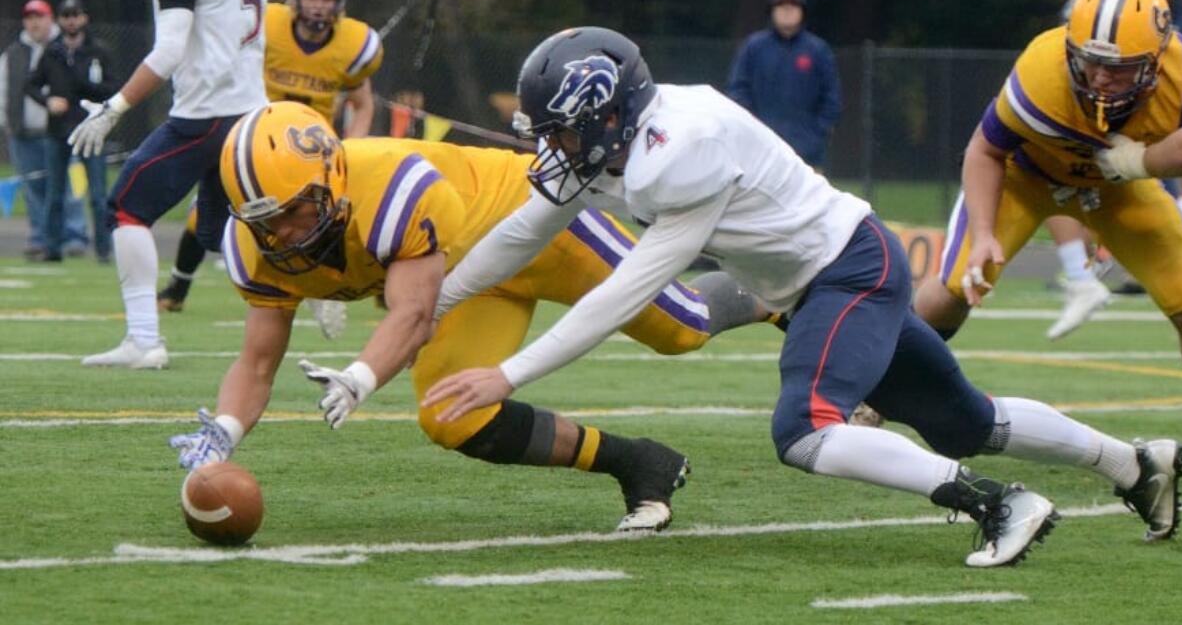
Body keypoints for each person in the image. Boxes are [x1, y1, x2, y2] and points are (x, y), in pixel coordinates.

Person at [419, 26, 1182, 567]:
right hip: (831, 272)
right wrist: (437, 301)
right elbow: (523, 230)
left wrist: (508, 374)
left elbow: (629, 291)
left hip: (845, 271)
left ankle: (997, 503)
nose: (551, 146)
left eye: (562, 129)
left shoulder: (678, 152)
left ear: (609, 113)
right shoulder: (627, 138)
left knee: (805, 428)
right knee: (964, 417)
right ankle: (1132, 462)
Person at [168, 101, 775, 532]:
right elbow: (257, 359)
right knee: (451, 415)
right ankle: (639, 461)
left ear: (331, 179)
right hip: (467, 283)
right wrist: (225, 431)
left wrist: (359, 377)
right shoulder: (264, 247)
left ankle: (780, 292)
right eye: (265, 219)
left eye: (296, 210)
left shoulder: (390, 188)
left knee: (682, 327)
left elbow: (414, 311)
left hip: (533, 228)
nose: (283, 232)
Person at [914, 0, 1182, 442]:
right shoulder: (1044, 67)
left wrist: (1140, 163)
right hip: (1028, 177)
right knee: (954, 288)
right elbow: (985, 150)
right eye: (1090, 60)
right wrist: (983, 235)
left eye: (1118, 67)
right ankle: (880, 384)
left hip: (1121, 185)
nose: (1100, 76)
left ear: (1158, 60)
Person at [70, 0, 269, 369]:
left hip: (204, 116)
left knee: (126, 207)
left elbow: (169, 50)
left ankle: (143, 339)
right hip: (251, 113)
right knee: (218, 231)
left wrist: (114, 106)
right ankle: (312, 287)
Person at [156, 0, 381, 341]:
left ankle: (369, 287)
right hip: (257, 142)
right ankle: (178, 285)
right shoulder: (268, 25)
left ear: (341, 2)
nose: (319, 5)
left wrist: (351, 147)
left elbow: (363, 103)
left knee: (334, 221)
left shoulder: (354, 43)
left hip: (314, 155)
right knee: (203, 218)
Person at [1045, 0, 1166, 335]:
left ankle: (1080, 277)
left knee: (1038, 165)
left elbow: (1099, 29)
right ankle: (1082, 276)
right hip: (1130, 77)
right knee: (1160, 192)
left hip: (1110, 82)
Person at [24, 0, 121, 262]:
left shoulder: (98, 51)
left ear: (84, 18)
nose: (71, 20)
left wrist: (86, 88)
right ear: (59, 19)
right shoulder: (52, 52)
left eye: (75, 14)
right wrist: (48, 102)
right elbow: (31, 85)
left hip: (90, 129)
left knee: (98, 195)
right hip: (58, 131)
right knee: (55, 193)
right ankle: (52, 249)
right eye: (66, 15)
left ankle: (103, 251)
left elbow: (113, 88)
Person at [1, 0, 90, 259]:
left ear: (50, 19)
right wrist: (8, 124)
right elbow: (5, 91)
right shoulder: (13, 54)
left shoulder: (63, 48)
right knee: (34, 190)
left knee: (68, 187)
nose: (34, 22)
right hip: (23, 132)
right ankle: (41, 237)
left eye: (39, 17)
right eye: (29, 17)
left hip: (61, 130)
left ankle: (74, 236)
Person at [726, 0, 841, 170]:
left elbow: (831, 98)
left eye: (793, 5)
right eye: (781, 5)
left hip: (807, 155)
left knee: (808, 200)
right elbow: (738, 91)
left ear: (802, 11)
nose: (787, 10)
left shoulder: (818, 50)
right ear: (772, 11)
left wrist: (818, 133)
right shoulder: (753, 47)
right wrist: (752, 129)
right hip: (760, 152)